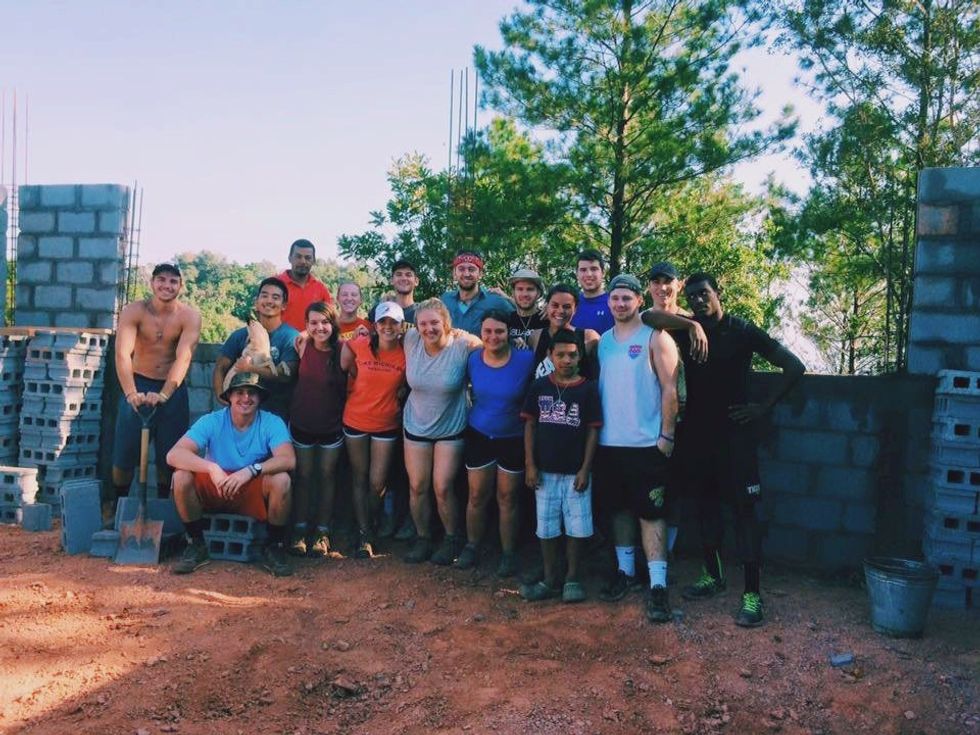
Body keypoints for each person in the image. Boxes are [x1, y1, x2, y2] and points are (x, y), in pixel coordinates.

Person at [676, 273, 805, 628]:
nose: (698, 301)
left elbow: (794, 366)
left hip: (735, 438)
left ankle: (752, 595)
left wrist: (763, 407)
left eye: (704, 293)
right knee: (706, 509)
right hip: (697, 438)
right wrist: (689, 324)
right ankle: (713, 575)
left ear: (718, 293)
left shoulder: (742, 330)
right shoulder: (685, 331)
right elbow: (647, 317)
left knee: (744, 515)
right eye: (692, 296)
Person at [594, 273, 679, 624]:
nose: (620, 304)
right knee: (619, 511)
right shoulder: (603, 342)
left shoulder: (656, 336)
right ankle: (626, 572)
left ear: (639, 301)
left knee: (651, 513)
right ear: (609, 302)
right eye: (615, 298)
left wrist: (666, 436)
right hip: (610, 443)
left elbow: (670, 389)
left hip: (646, 443)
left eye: (626, 298)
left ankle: (658, 586)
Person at [168, 372, 296, 577]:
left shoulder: (271, 422)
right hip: (217, 486)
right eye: (239, 392)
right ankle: (196, 543)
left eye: (252, 393)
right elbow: (174, 454)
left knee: (282, 480)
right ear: (229, 397)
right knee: (181, 476)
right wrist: (212, 468)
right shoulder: (212, 421)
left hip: (249, 487)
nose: (246, 398)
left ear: (260, 398)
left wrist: (251, 470)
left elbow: (288, 459)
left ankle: (274, 546)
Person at [520, 329, 602, 603]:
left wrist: (586, 468)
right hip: (544, 471)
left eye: (572, 355)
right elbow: (530, 425)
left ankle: (572, 578)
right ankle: (549, 578)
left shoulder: (588, 389)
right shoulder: (539, 386)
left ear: (580, 356)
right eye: (561, 355)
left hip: (576, 473)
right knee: (546, 527)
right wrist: (530, 464)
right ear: (550, 355)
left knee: (577, 527)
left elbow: (593, 430)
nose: (567, 360)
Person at [401, 298, 482, 564]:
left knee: (443, 487)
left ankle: (451, 538)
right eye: (423, 323)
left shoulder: (463, 344)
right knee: (417, 486)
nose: (429, 328)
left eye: (434, 322)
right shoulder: (410, 339)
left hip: (450, 427)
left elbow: (494, 345)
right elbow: (378, 330)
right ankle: (423, 537)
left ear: (446, 323)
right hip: (416, 424)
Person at [112, 262, 201, 502]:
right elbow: (122, 354)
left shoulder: (189, 316)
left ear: (181, 286)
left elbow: (183, 358)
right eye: (161, 279)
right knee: (124, 454)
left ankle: (163, 506)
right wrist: (131, 393)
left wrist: (164, 394)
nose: (167, 285)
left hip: (171, 390)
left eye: (173, 281)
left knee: (169, 456)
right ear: (152, 283)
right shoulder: (134, 311)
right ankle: (119, 503)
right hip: (137, 386)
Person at [456, 311, 535, 576]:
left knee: (508, 497)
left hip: (513, 437)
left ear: (509, 333)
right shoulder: (473, 359)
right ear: (481, 333)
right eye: (488, 331)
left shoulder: (526, 359)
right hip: (479, 434)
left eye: (499, 331)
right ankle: (472, 546)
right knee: (477, 495)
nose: (493, 336)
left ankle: (508, 553)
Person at [340, 301, 408, 558]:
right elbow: (345, 365)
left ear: (401, 326)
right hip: (355, 419)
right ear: (375, 325)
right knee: (358, 477)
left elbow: (406, 385)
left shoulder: (406, 353)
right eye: (383, 322)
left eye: (393, 322)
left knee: (377, 482)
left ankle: (369, 521)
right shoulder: (360, 344)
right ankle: (364, 533)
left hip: (386, 423)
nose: (388, 327)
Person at [286, 301, 348, 558]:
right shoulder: (302, 345)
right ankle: (300, 530)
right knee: (303, 477)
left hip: (331, 426)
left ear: (333, 324)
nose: (319, 327)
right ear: (307, 325)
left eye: (324, 322)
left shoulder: (343, 350)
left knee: (326, 477)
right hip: (302, 423)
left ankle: (323, 531)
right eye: (313, 323)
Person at [213, 277, 300, 420]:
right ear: (256, 302)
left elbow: (286, 375)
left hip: (277, 415)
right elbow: (220, 367)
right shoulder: (240, 335)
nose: (269, 301)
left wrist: (250, 368)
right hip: (241, 416)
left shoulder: (291, 337)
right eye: (264, 296)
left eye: (275, 297)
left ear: (284, 305)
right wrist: (220, 396)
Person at [529, 284, 599, 379]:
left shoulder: (588, 338)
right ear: (547, 306)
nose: (560, 311)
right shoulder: (535, 336)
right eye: (555, 305)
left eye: (567, 306)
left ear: (575, 309)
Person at [440, 250, 513, 335]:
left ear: (480, 274)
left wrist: (514, 338)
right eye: (461, 269)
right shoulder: (445, 300)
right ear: (454, 274)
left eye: (471, 269)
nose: (466, 274)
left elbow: (521, 321)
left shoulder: (496, 301)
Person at [277, 238, 333, 331]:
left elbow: (329, 321)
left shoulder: (321, 289)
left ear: (314, 260)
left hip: (312, 340)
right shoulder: (275, 285)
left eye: (308, 258)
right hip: (280, 340)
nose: (303, 261)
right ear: (290, 258)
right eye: (298, 257)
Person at [570, 249, 614, 334]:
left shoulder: (614, 303)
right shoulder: (570, 304)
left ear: (603, 273)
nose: (589, 274)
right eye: (583, 270)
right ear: (577, 274)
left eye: (594, 269)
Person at [368, 259, 419, 327]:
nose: (404, 278)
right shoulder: (379, 310)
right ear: (391, 280)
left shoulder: (422, 312)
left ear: (416, 281)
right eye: (399, 275)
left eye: (408, 275)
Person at [505, 268, 548, 346]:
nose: (525, 294)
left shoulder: (547, 319)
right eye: (520, 289)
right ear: (513, 293)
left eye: (530, 289)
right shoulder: (506, 320)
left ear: (538, 293)